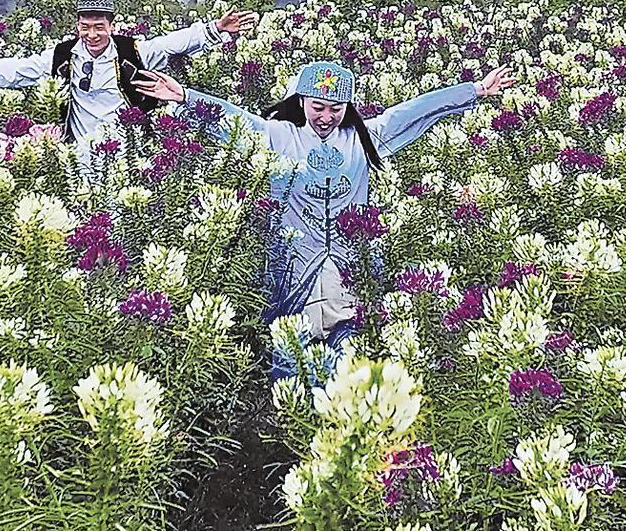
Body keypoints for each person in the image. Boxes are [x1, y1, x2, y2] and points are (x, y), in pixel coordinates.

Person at [134, 59, 514, 353]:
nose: (326, 117)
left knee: (348, 341)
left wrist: (474, 91)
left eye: (336, 108)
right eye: (318, 107)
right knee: (292, 344)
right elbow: (234, 121)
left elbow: (413, 112)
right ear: (301, 101)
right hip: (296, 259)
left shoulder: (363, 138)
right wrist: (186, 98)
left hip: (349, 259)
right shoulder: (280, 135)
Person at [0, 0, 257, 148]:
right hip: (79, 150)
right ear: (77, 25)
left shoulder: (133, 51)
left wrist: (215, 29)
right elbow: (18, 70)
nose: (92, 34)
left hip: (129, 149)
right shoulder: (64, 55)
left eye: (99, 26)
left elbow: (174, 43)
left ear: (111, 25)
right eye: (85, 27)